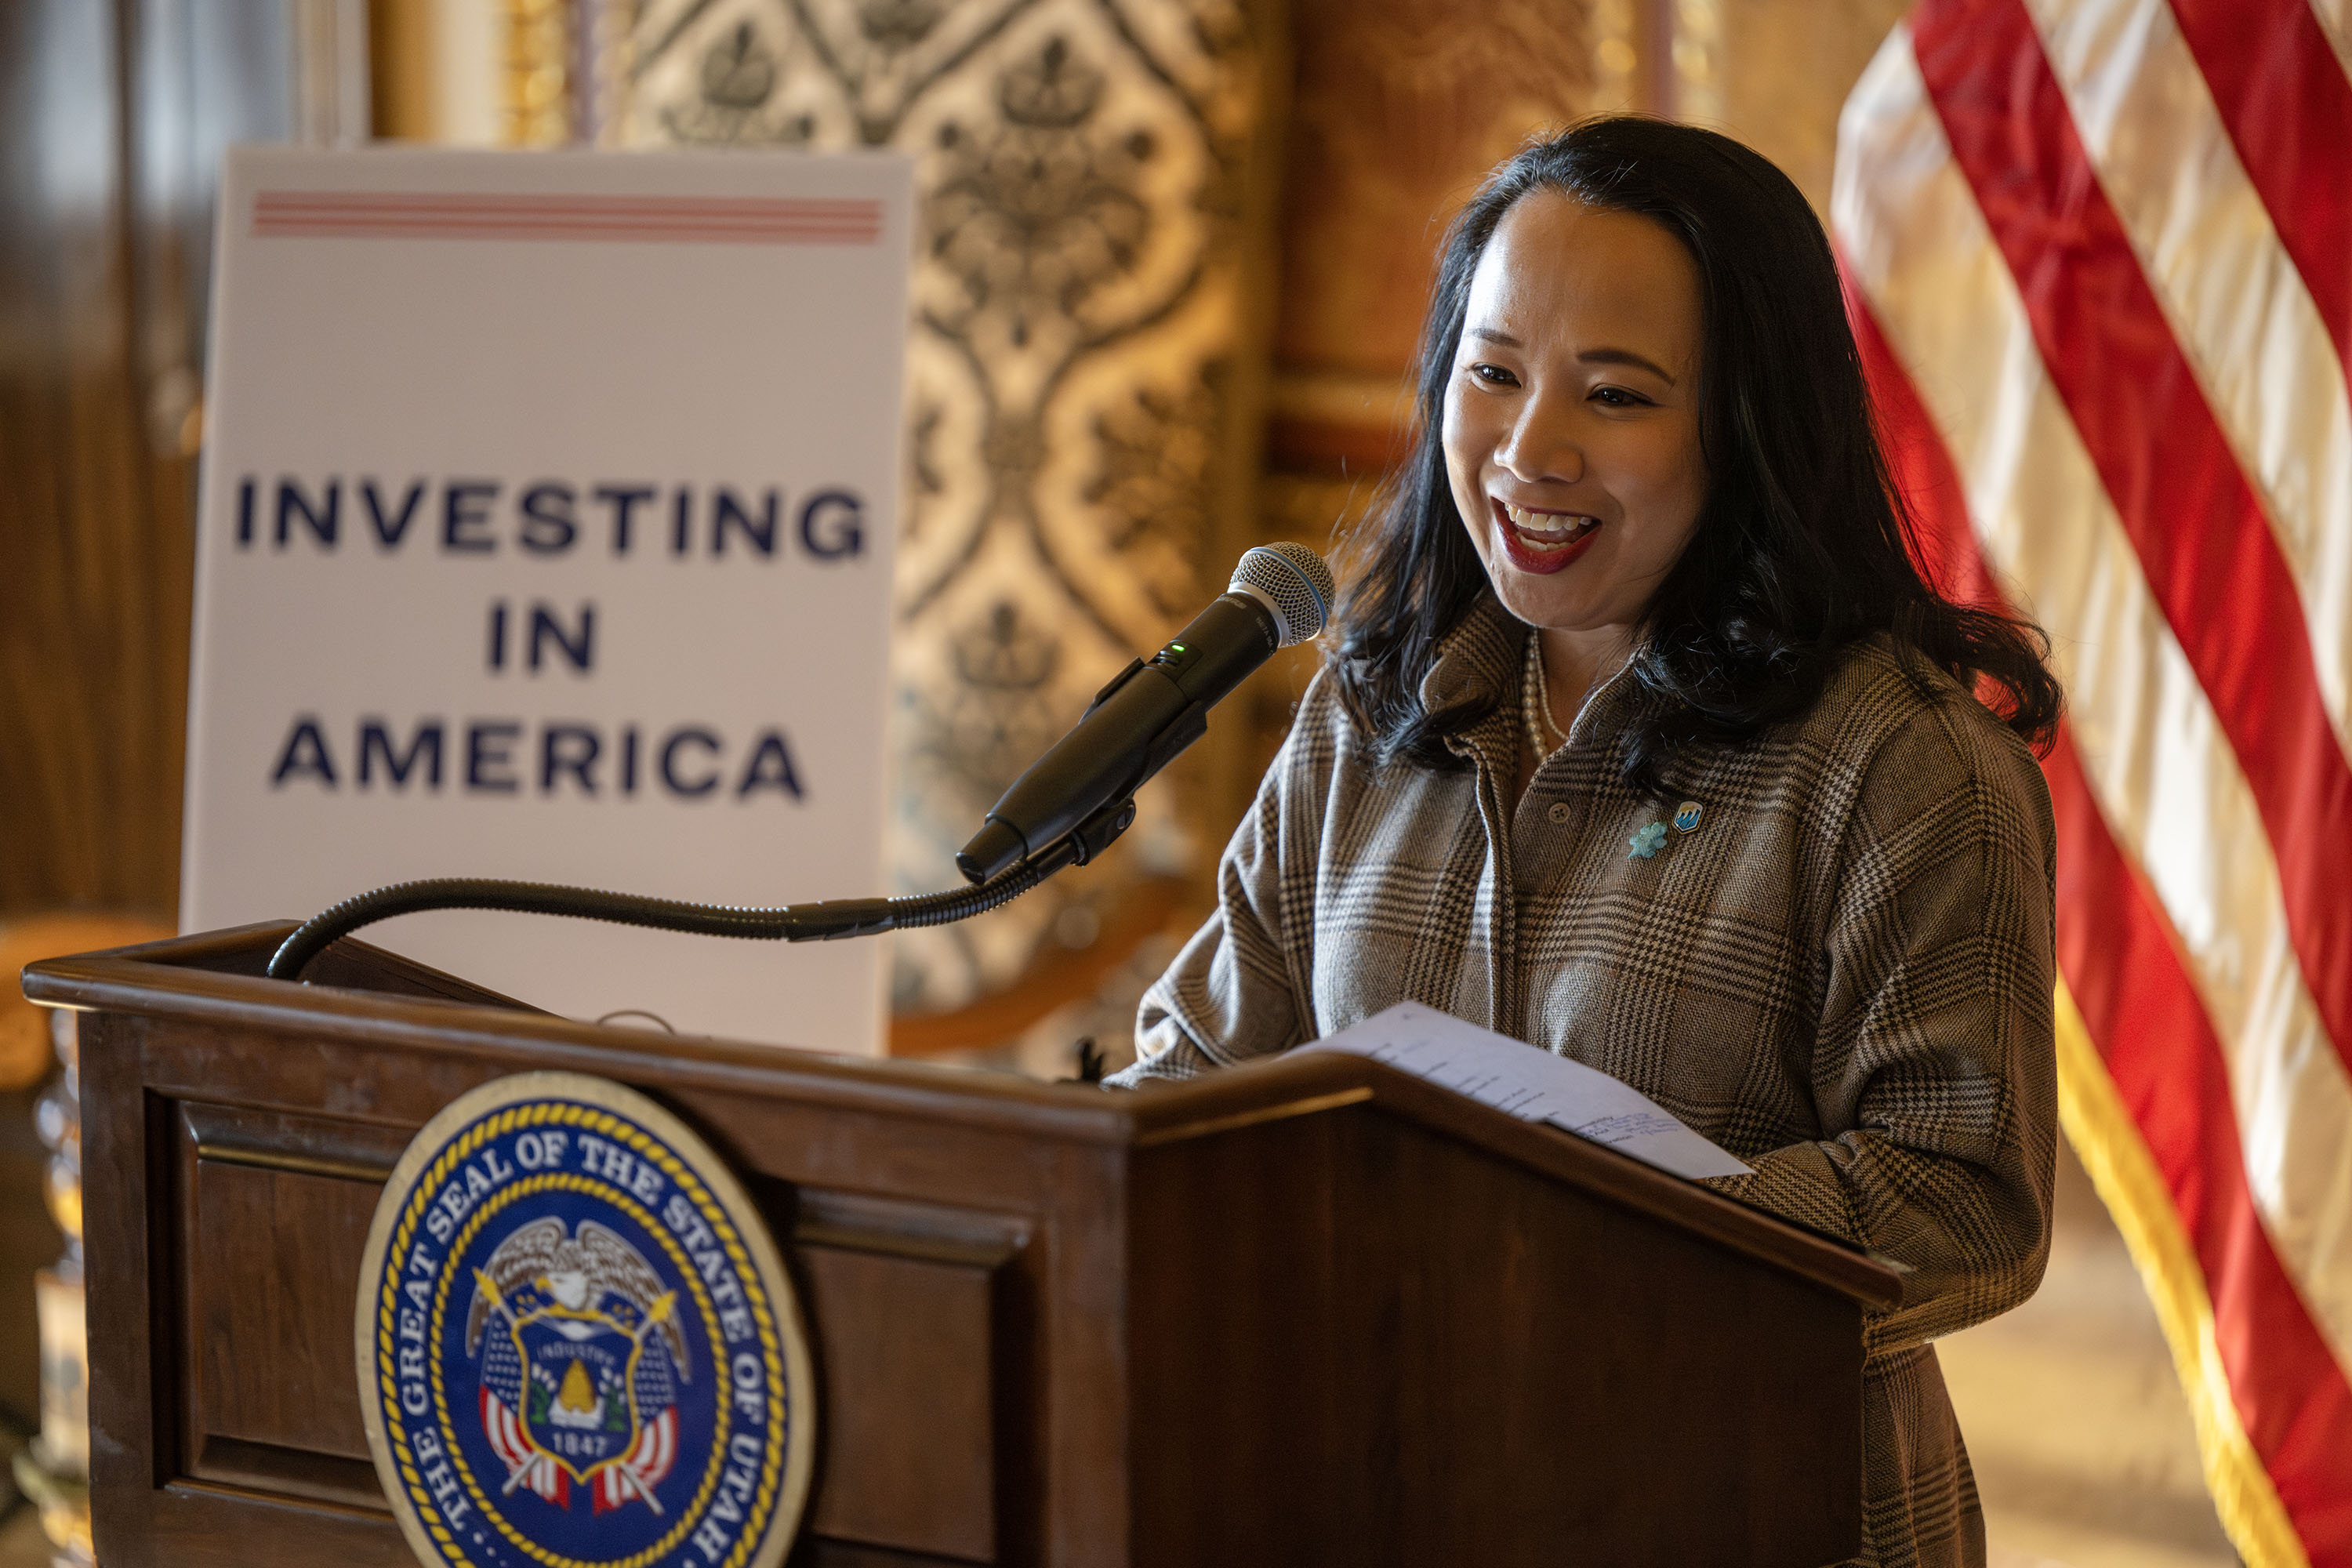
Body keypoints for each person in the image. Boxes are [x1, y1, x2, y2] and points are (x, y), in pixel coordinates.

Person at [1108, 117, 2063, 1568]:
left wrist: (1570, 1226)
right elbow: (1197, 1074)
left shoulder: (1904, 760)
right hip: (1386, 1491)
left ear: (1746, 425)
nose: (1529, 450)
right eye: (1491, 374)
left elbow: (1966, 1194)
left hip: (1753, 1506)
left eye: (1615, 395)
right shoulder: (1371, 711)